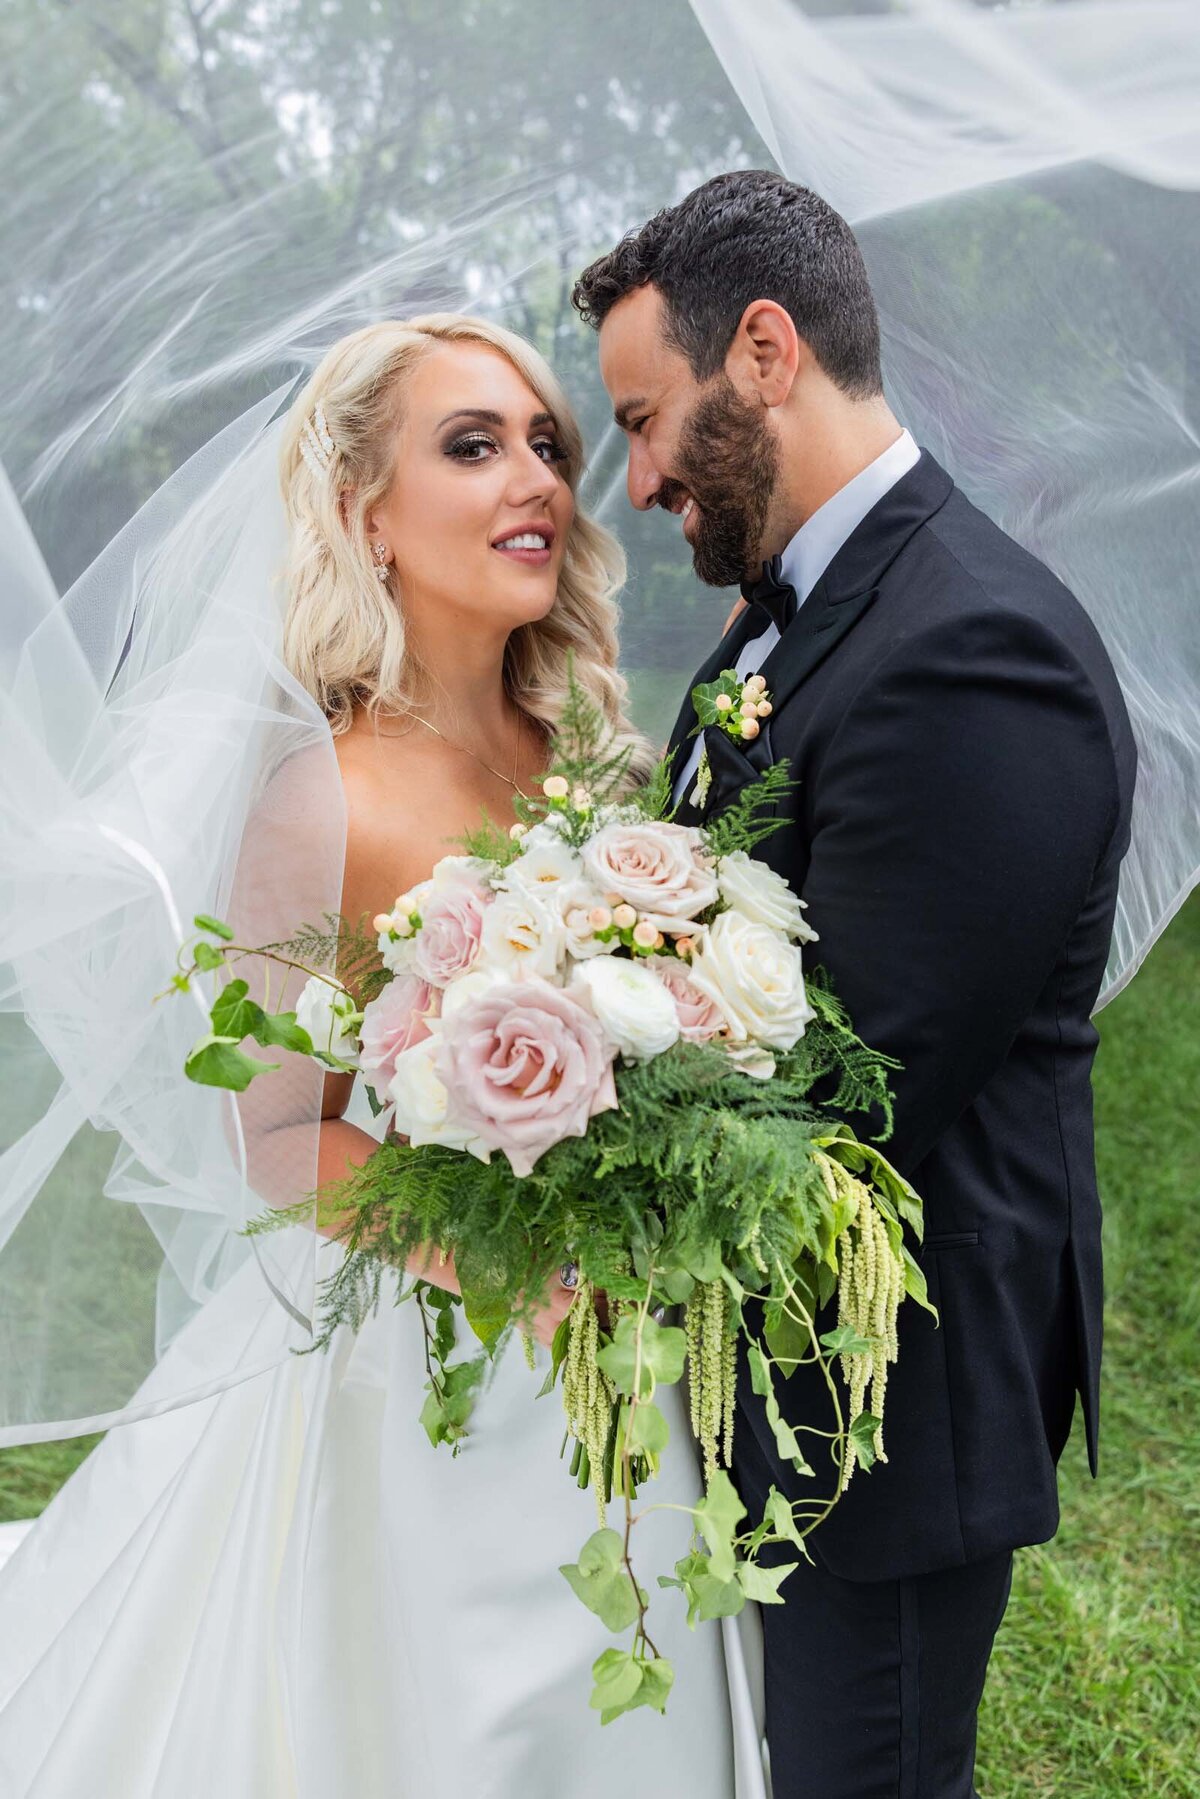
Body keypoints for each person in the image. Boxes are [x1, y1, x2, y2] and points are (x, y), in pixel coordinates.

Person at [0, 316, 756, 1798]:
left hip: (622, 1351)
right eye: (470, 446)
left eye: (547, 443)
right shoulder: (318, 798)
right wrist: (505, 1268)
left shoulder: (594, 754)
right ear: (366, 519)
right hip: (417, 1372)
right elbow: (278, 1139)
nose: (535, 475)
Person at [575, 169, 1138, 1799]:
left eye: (643, 418)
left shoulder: (972, 645)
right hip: (772, 1360)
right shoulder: (791, 617)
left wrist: (553, 1071)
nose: (639, 476)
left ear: (762, 351)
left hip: (883, 1406)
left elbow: (846, 1086)